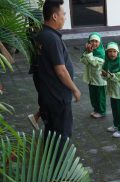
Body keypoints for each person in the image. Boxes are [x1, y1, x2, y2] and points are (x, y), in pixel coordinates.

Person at [37, 0, 81, 154]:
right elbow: (61, 70)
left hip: (48, 96)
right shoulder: (51, 38)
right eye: (63, 14)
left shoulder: (42, 35)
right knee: (61, 135)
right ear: (55, 16)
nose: (65, 18)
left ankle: (51, 165)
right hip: (57, 98)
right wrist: (75, 89)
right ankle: (59, 171)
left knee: (52, 133)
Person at [102, 42, 120, 137]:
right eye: (110, 51)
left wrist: (109, 75)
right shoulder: (107, 62)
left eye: (114, 51)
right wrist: (104, 75)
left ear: (118, 52)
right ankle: (116, 125)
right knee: (114, 109)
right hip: (113, 91)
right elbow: (104, 76)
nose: (112, 53)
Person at [80, 32, 106, 118]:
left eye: (96, 41)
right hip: (91, 78)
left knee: (100, 97)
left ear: (100, 42)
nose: (94, 43)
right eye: (92, 41)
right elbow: (84, 61)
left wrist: (89, 54)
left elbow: (94, 62)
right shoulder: (88, 51)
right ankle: (96, 109)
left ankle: (101, 111)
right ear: (88, 42)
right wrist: (87, 53)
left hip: (99, 80)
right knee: (93, 96)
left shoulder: (101, 53)